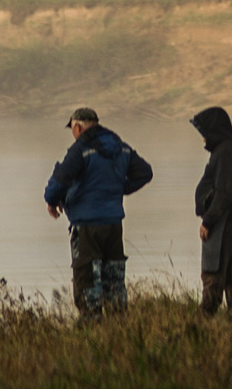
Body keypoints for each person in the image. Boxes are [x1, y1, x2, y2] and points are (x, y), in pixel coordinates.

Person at [43, 107, 152, 314]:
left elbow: (60, 179)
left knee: (86, 276)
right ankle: (118, 324)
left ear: (77, 126)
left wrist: (52, 201)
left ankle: (91, 324)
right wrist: (119, 189)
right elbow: (145, 173)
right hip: (113, 224)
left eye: (73, 129)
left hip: (87, 226)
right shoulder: (122, 147)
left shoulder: (81, 150)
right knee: (114, 276)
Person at [190, 105, 232, 315]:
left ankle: (206, 317)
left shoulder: (225, 153)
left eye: (205, 132)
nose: (203, 138)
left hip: (224, 221)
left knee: (214, 271)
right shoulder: (226, 151)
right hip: (230, 219)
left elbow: (224, 192)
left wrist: (208, 221)